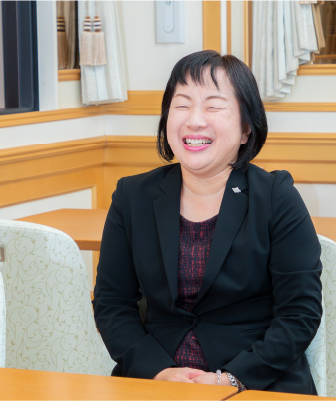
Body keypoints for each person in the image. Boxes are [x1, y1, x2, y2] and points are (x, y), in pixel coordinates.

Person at [92, 50, 322, 394]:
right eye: (182, 105)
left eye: (213, 107)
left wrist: (230, 378)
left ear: (246, 128)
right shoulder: (132, 196)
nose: (195, 120)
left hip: (256, 383)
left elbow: (299, 313)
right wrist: (157, 371)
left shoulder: (276, 197)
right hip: (156, 382)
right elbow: (112, 303)